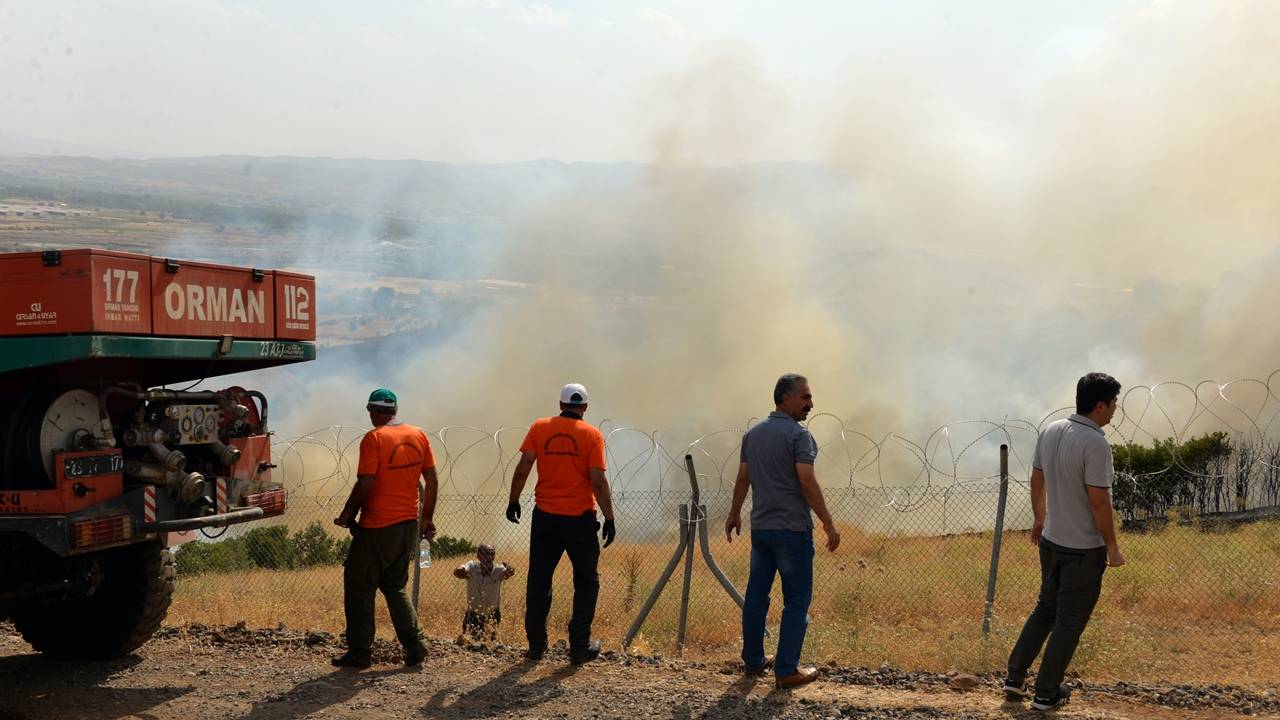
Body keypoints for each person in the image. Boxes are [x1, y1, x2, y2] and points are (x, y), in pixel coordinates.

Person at [1003, 372, 1126, 710]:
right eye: (1114, 403)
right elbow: (1099, 501)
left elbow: (1036, 479)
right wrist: (1112, 546)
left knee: (1045, 610)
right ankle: (1046, 693)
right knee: (1069, 622)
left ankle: (1014, 679)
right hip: (1082, 550)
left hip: (1051, 542)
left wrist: (1039, 518)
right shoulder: (1095, 443)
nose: (1115, 409)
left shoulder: (1051, 430)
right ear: (1100, 406)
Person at [726, 373, 840, 690]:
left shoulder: (752, 435)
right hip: (792, 532)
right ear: (785, 398)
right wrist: (827, 521)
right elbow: (806, 480)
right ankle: (787, 670)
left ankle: (753, 662)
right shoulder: (799, 436)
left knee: (756, 598)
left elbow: (742, 478)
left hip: (761, 531)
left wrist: (734, 513)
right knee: (797, 601)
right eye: (805, 397)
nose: (810, 404)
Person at [506, 382, 617, 664]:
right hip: (580, 520)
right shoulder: (592, 435)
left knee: (539, 579)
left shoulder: (539, 427)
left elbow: (524, 466)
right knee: (586, 582)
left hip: (545, 517)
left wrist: (513, 500)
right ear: (585, 407)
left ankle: (536, 646)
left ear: (560, 404)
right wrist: (609, 517)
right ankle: (579, 647)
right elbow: (598, 481)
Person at [331, 388, 438, 669]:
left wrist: (347, 513)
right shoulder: (418, 434)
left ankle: (360, 653)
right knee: (394, 585)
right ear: (395, 410)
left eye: (370, 411)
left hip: (378, 526)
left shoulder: (374, 438)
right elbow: (432, 479)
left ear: (373, 411)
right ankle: (415, 645)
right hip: (408, 525)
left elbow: (366, 481)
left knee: (359, 586)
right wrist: (426, 518)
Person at [452, 544, 516, 642]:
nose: (489, 557)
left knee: (491, 642)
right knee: (471, 642)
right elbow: (457, 571)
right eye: (486, 554)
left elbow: (509, 572)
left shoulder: (498, 570)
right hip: (474, 614)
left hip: (492, 615)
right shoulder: (472, 567)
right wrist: (462, 571)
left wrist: (510, 569)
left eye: (492, 554)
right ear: (478, 556)